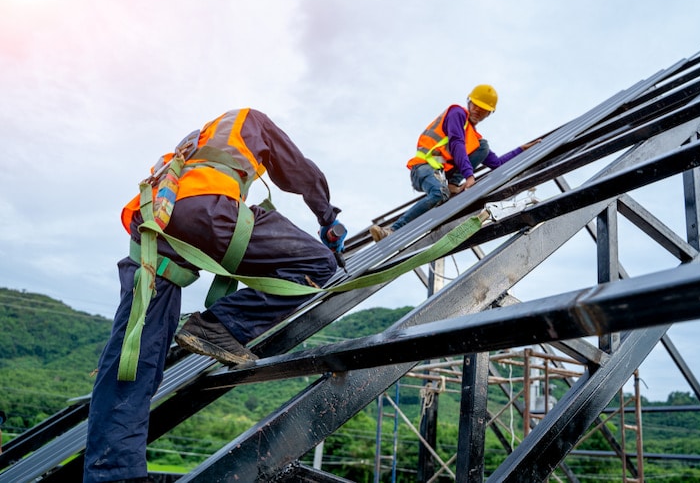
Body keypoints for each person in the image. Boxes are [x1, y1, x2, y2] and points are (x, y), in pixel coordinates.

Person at [84, 108, 346, 483]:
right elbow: (299, 171)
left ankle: (113, 473)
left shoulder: (192, 144)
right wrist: (327, 217)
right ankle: (218, 326)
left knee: (133, 357)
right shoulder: (247, 120)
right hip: (208, 213)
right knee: (319, 264)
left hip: (152, 231)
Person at [370, 84, 540, 241]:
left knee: (483, 147)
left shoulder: (474, 138)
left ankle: (451, 184)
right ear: (469, 102)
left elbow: (496, 163)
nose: (477, 111)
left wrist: (521, 150)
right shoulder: (457, 113)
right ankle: (391, 230)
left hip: (440, 172)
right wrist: (469, 176)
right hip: (422, 167)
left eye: (483, 110)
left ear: (489, 114)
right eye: (475, 106)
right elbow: (456, 142)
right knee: (439, 194)